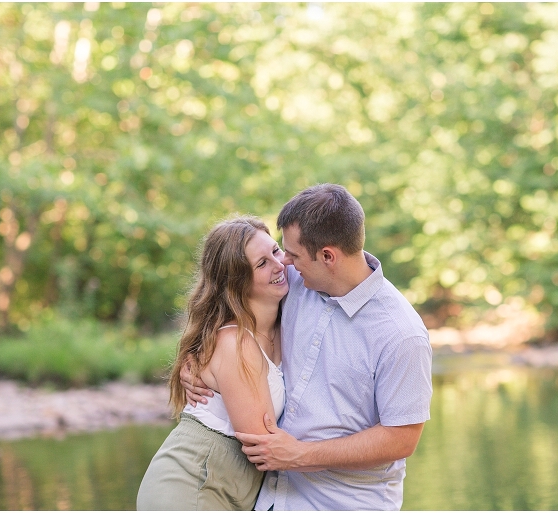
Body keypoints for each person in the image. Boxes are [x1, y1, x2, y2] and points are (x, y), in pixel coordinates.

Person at [182, 184, 433, 510]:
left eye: (293, 254)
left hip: (343, 504)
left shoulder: (401, 334)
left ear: (328, 256)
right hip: (270, 499)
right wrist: (197, 358)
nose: (283, 260)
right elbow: (226, 297)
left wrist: (301, 456)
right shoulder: (296, 278)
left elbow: (401, 438)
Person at [137, 215, 288, 510]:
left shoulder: (287, 325)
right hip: (190, 483)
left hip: (231, 489)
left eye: (276, 250)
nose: (278, 264)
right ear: (237, 282)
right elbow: (265, 444)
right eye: (262, 264)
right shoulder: (236, 342)